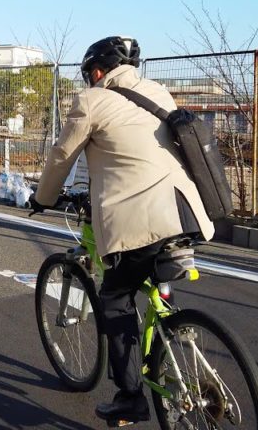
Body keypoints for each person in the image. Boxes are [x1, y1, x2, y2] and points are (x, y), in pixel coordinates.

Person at [30, 36, 215, 423]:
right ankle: (169, 340)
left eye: (88, 75)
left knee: (115, 297)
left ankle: (130, 397)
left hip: (143, 220)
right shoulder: (158, 92)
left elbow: (63, 155)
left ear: (97, 71)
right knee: (152, 279)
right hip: (187, 213)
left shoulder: (91, 102)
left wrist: (42, 198)